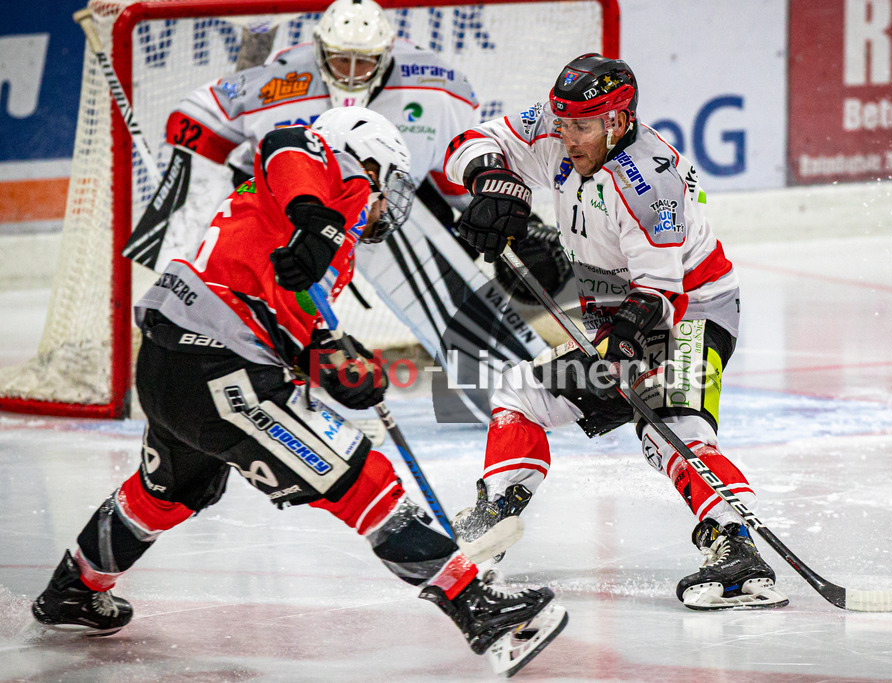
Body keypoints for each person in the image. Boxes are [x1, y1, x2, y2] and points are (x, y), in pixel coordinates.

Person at [30, 108, 567, 675]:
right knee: (363, 479)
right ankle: (480, 610)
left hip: (173, 363)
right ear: (368, 166)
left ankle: (75, 589)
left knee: (167, 492)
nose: (386, 204)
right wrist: (318, 221)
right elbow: (286, 144)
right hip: (221, 372)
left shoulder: (314, 239)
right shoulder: (324, 176)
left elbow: (291, 325)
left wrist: (338, 365)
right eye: (387, 185)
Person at [442, 54, 789, 610]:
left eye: (581, 126)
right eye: (561, 122)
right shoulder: (562, 128)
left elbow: (658, 299)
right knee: (520, 392)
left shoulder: (651, 184)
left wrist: (622, 354)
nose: (566, 136)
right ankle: (496, 516)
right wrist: (490, 180)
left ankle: (737, 547)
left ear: (618, 120)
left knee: (669, 426)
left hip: (691, 310)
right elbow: (469, 142)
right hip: (619, 315)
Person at [127, 0, 568, 419]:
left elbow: (450, 168)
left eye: (365, 62)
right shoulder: (280, 78)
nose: (353, 74)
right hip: (287, 213)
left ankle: (502, 382)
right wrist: (194, 192)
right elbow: (202, 116)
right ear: (320, 51)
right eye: (342, 61)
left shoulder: (435, 87)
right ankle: (265, 375)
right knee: (274, 294)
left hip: (380, 210)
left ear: (386, 54)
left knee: (327, 285)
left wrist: (513, 224)